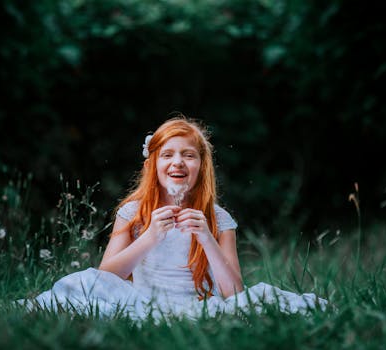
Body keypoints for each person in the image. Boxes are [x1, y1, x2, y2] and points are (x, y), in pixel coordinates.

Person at [18, 113, 327, 321]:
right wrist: (150, 237)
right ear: (154, 164)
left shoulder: (219, 219)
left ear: (200, 166)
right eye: (167, 155)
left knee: (259, 301)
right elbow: (106, 276)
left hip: (201, 308)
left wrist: (206, 237)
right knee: (84, 284)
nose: (177, 162)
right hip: (142, 301)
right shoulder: (134, 211)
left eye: (188, 155)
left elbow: (233, 292)